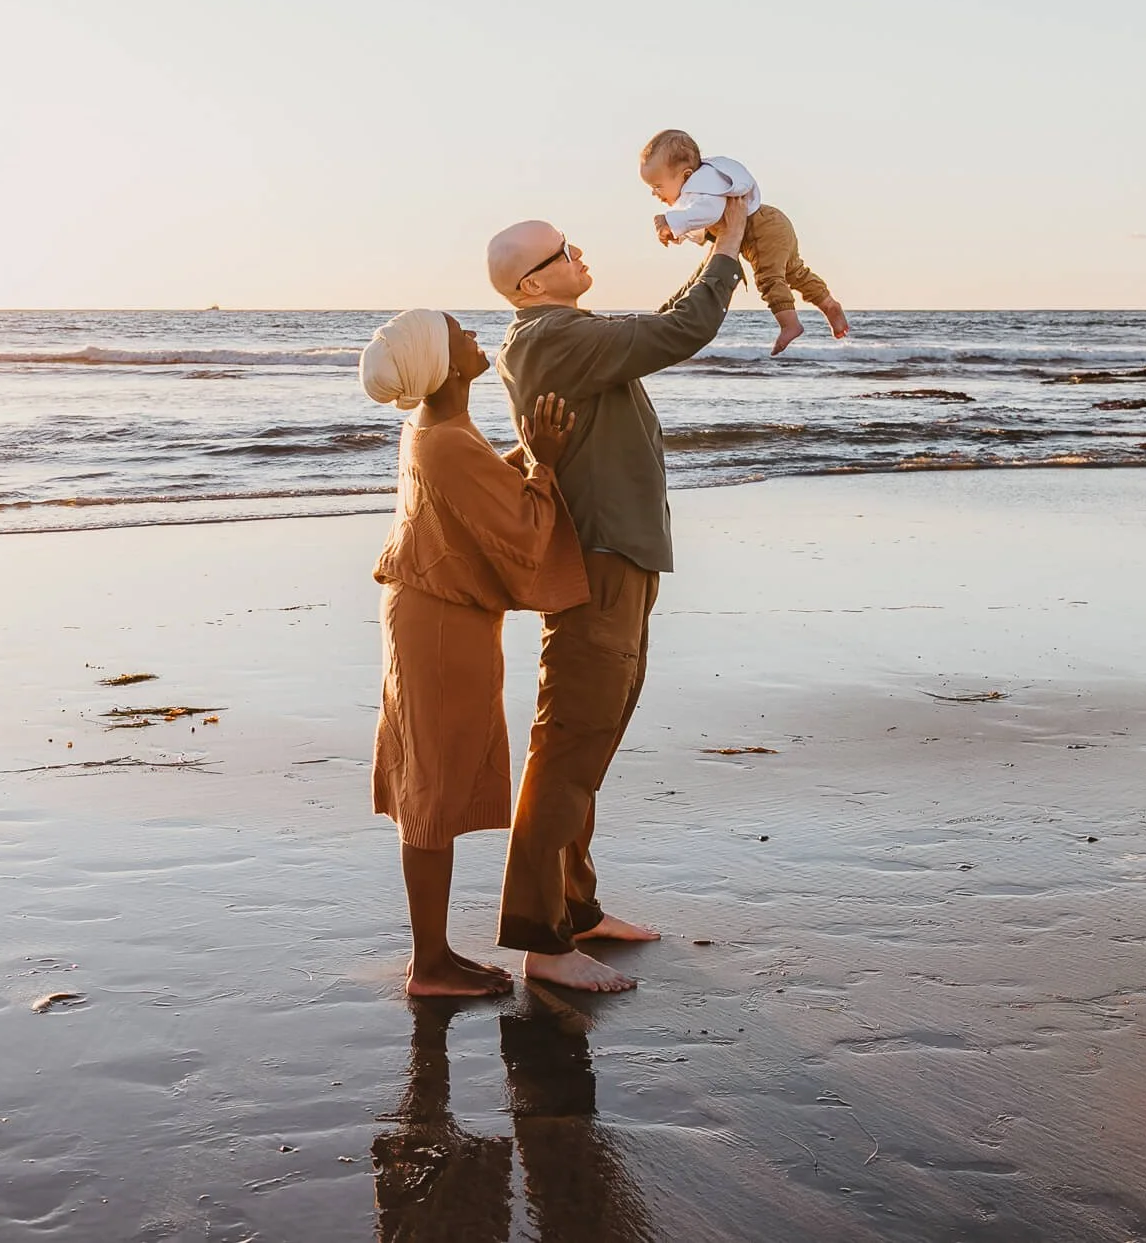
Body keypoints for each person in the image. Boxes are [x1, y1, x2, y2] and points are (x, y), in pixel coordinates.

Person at [482, 199, 750, 991]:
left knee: (589, 745)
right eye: (562, 251)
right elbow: (678, 332)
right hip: (597, 564)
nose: (578, 253)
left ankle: (576, 908)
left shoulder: (568, 335)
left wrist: (707, 257)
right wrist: (730, 245)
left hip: (620, 559)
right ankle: (540, 938)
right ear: (531, 286)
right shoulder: (554, 338)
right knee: (569, 745)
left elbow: (655, 324)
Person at [362, 307, 589, 998]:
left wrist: (523, 455)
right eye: (458, 332)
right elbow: (518, 530)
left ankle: (434, 955)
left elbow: (476, 496)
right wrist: (544, 462)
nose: (472, 336)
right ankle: (429, 966)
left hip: (433, 616)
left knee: (432, 777)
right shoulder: (445, 441)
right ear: (445, 364)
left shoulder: (437, 427)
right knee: (432, 787)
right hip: (439, 628)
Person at [639, 128, 848, 356]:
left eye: (657, 186)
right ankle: (829, 305)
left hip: (762, 231)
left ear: (686, 175)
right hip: (772, 223)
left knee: (769, 278)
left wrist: (670, 221)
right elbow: (699, 222)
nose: (654, 194)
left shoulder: (701, 188)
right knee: (795, 273)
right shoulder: (704, 186)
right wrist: (676, 232)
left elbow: (708, 213)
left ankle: (790, 324)